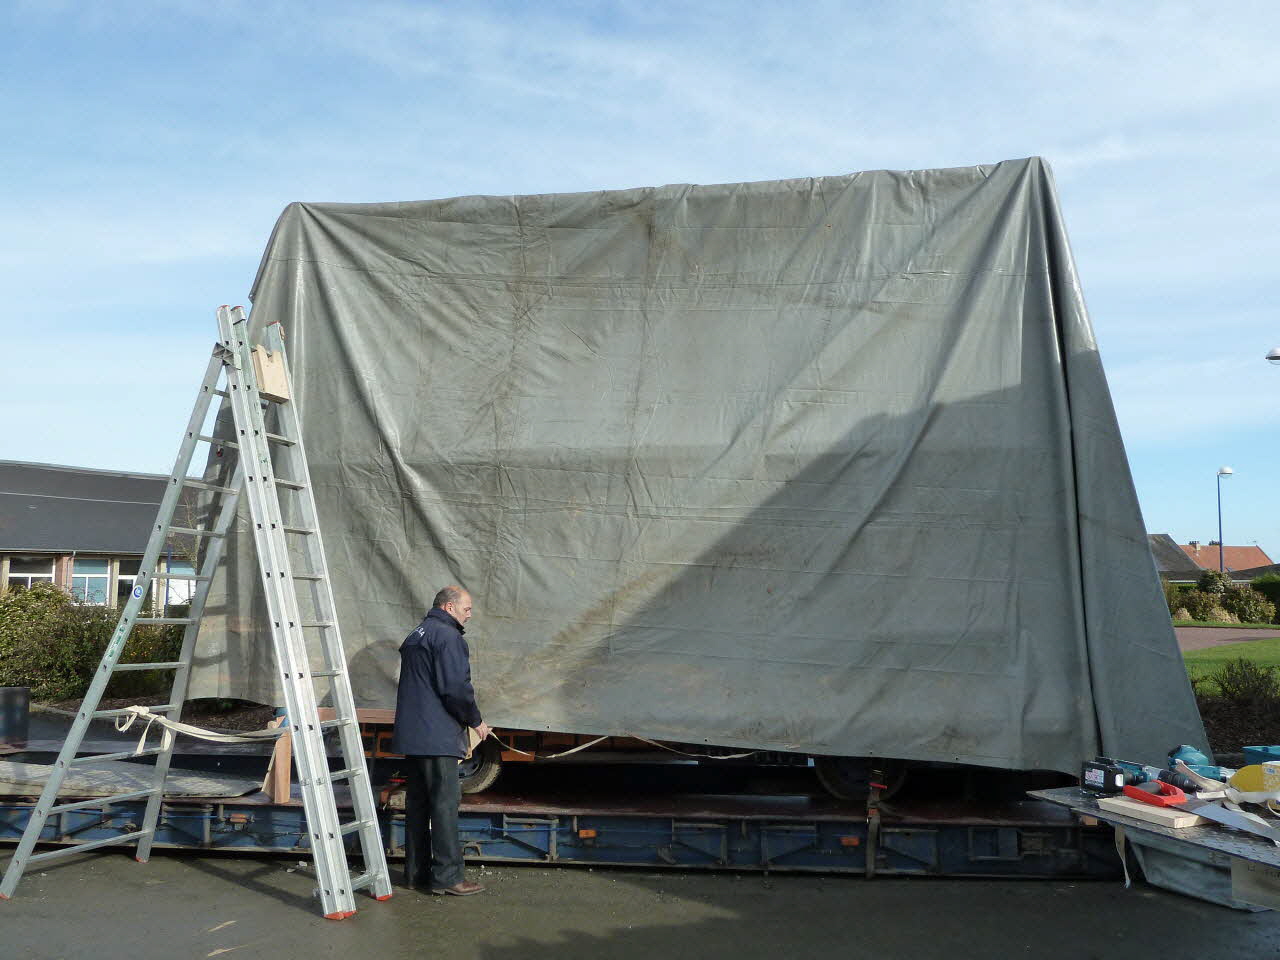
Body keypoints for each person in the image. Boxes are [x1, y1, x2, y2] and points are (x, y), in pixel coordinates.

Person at [391, 585, 492, 896]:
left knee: (419, 805)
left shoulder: (417, 634)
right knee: (445, 807)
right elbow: (455, 688)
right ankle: (448, 878)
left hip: (414, 736)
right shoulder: (448, 637)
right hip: (437, 737)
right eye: (467, 608)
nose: (470, 614)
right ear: (449, 607)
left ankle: (416, 874)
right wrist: (475, 720)